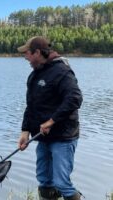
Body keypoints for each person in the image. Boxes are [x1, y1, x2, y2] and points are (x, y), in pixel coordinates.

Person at [17, 36, 83, 200]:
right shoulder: (34, 76)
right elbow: (31, 105)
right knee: (44, 182)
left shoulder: (62, 71)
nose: (25, 57)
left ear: (37, 52)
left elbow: (75, 98)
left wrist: (51, 121)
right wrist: (25, 131)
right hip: (44, 138)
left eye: (27, 53)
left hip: (63, 137)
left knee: (62, 184)